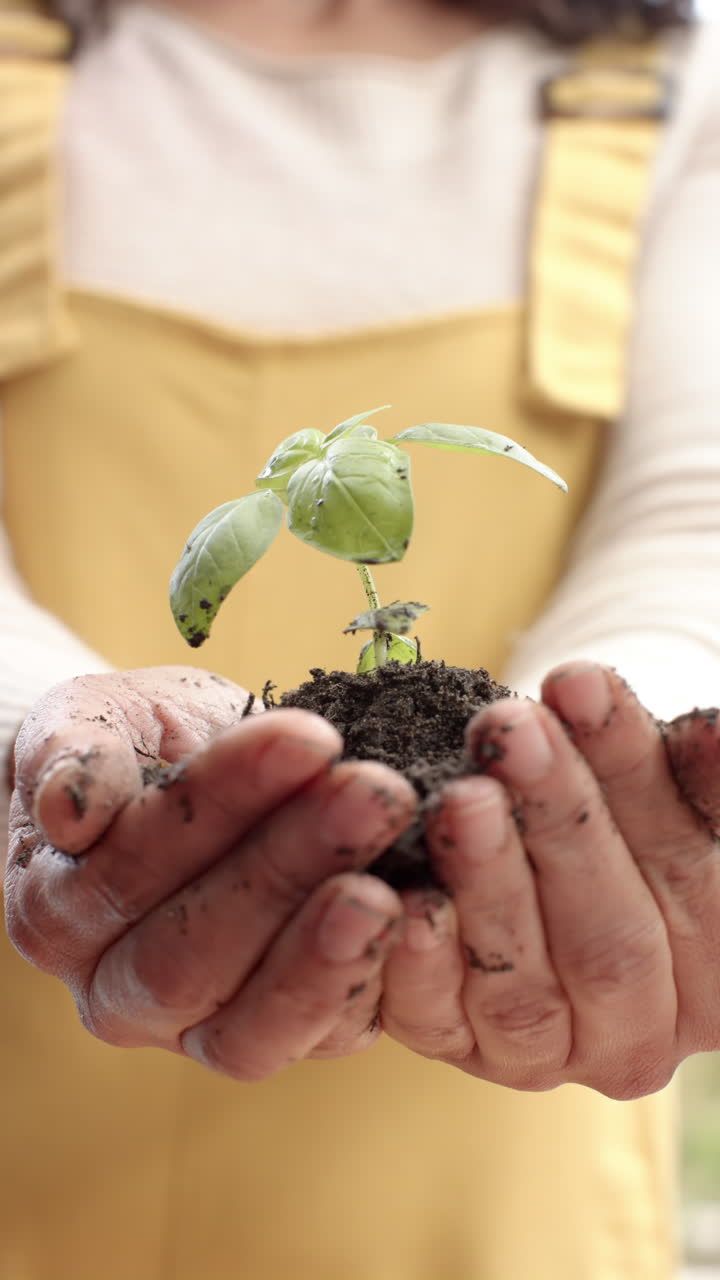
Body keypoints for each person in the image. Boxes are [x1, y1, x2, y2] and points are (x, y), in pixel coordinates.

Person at [2, 0, 720, 1276]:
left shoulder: (670, 75)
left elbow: (697, 517)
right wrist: (31, 726)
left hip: (498, 1123)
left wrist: (618, 771)